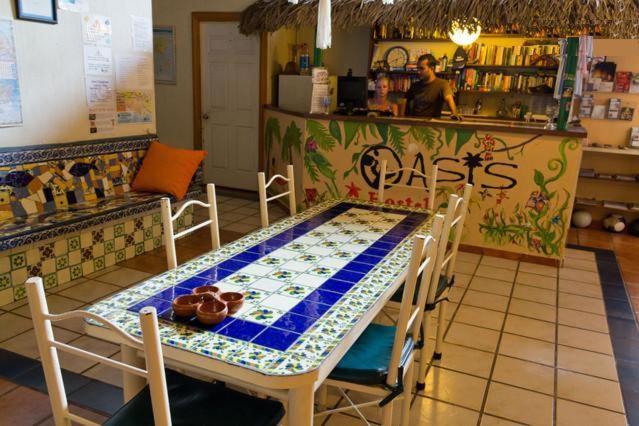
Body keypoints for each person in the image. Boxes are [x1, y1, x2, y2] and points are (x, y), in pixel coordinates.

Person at [405, 54, 461, 119]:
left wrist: (454, 112)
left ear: (432, 68)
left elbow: (449, 98)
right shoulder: (415, 85)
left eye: (422, 68)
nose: (418, 72)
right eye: (418, 68)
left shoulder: (442, 84)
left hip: (432, 126)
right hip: (413, 125)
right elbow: (404, 101)